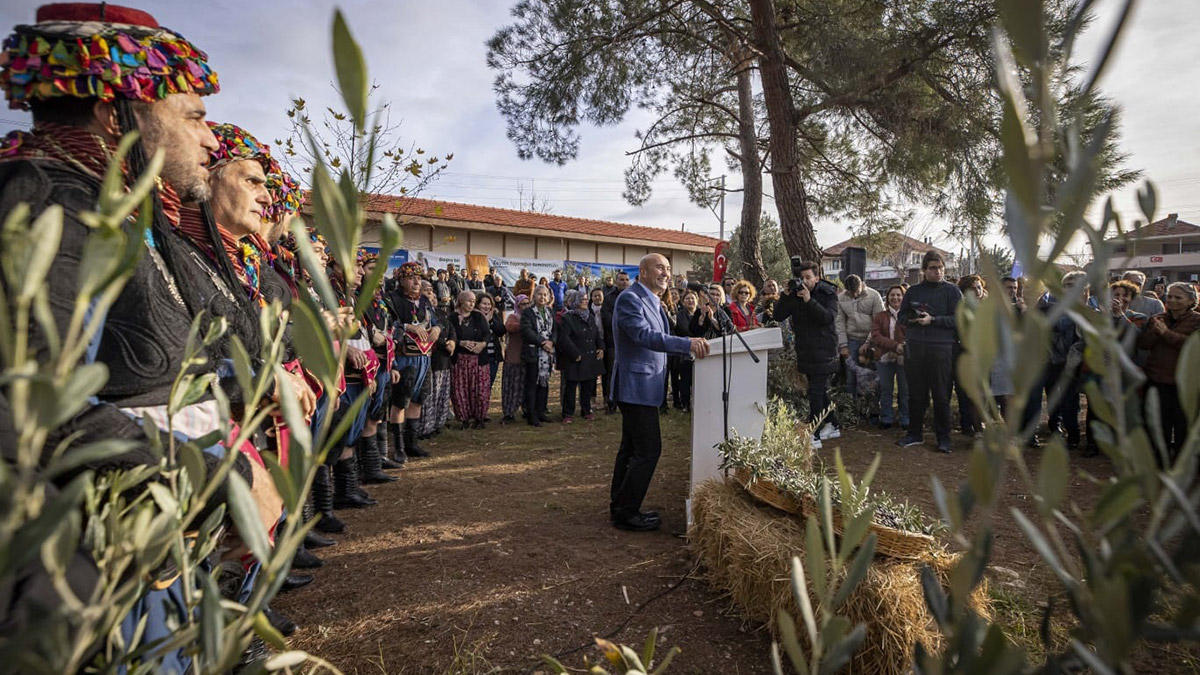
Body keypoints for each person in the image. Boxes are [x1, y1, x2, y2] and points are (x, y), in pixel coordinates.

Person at [608, 254, 709, 531]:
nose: (666, 273)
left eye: (667, 269)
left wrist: (696, 332)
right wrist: (686, 344)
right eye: (659, 268)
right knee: (649, 449)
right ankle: (627, 512)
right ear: (642, 271)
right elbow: (644, 336)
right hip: (635, 386)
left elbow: (671, 333)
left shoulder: (654, 300)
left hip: (646, 386)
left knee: (630, 449)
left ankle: (620, 505)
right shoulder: (631, 299)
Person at [896, 251, 963, 453]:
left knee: (941, 395)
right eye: (933, 268)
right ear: (924, 270)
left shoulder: (952, 292)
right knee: (915, 394)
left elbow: (958, 319)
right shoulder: (913, 291)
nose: (938, 272)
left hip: (941, 348)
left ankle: (944, 437)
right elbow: (901, 316)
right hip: (915, 348)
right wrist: (912, 319)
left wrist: (933, 320)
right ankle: (914, 433)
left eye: (941, 268)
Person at [774, 261, 841, 448]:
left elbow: (828, 318)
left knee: (815, 392)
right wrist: (785, 296)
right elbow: (778, 316)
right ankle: (833, 424)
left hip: (825, 350)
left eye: (808, 277)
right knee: (818, 390)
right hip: (805, 350)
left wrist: (809, 300)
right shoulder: (794, 295)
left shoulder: (827, 293)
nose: (804, 281)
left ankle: (814, 434)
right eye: (801, 278)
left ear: (817, 278)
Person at [1136, 282, 1200, 460]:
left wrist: (1166, 334)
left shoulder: (1197, 321)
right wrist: (1155, 332)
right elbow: (1142, 344)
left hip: (1185, 384)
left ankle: (1181, 463)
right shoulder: (1158, 318)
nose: (1172, 300)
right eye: (1170, 296)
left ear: (1190, 301)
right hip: (1157, 379)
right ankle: (1158, 462)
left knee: (1183, 426)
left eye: (1178, 297)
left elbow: (1193, 347)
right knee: (1158, 425)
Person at [386, 261, 440, 461]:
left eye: (419, 278)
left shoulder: (425, 301)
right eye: (411, 278)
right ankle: (398, 446)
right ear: (401, 280)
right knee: (401, 401)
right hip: (404, 358)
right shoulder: (392, 299)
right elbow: (389, 324)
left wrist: (437, 329)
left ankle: (412, 443)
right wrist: (408, 326)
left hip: (424, 358)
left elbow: (435, 321)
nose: (417, 282)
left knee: (418, 399)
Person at [557, 290, 604, 422]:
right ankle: (568, 413)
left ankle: (586, 410)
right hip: (575, 357)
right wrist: (575, 354)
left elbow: (596, 335)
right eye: (582, 299)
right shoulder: (568, 318)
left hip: (589, 356)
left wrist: (601, 347)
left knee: (588, 385)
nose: (585, 301)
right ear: (575, 302)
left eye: (585, 299)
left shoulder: (590, 316)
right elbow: (564, 339)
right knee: (571, 387)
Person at [449, 291, 493, 429]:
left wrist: (482, 344)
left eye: (473, 301)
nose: (471, 304)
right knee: (460, 390)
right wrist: (460, 342)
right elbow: (450, 336)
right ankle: (464, 419)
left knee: (480, 389)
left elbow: (487, 334)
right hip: (460, 359)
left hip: (478, 359)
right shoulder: (453, 318)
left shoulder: (478, 316)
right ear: (461, 301)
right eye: (469, 301)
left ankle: (479, 418)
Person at [419, 280, 456, 439]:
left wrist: (453, 341)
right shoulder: (420, 311)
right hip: (431, 358)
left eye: (432, 291)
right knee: (429, 396)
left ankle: (438, 423)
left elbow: (449, 327)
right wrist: (444, 344)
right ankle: (424, 428)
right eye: (426, 291)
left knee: (441, 394)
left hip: (445, 359)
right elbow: (430, 333)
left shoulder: (440, 313)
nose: (431, 294)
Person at [836, 275, 884, 399]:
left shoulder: (874, 296)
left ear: (862, 285)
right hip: (851, 338)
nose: (854, 296)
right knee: (851, 375)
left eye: (856, 292)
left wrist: (868, 342)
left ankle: (874, 407)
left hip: (872, 340)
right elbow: (839, 322)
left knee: (874, 375)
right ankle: (852, 407)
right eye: (851, 293)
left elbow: (878, 322)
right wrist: (843, 345)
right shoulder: (841, 298)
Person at [870, 285, 909, 431]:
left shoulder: (908, 316)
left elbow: (911, 333)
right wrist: (894, 346)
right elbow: (876, 335)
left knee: (905, 389)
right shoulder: (880, 316)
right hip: (884, 356)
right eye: (892, 295)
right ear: (887, 298)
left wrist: (901, 348)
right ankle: (886, 418)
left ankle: (905, 418)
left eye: (899, 295)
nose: (895, 298)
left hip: (904, 356)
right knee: (886, 389)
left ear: (903, 297)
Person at [522, 285, 557, 426]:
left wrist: (552, 342)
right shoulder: (528, 312)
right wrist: (542, 342)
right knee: (532, 384)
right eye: (539, 294)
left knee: (544, 384)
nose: (542, 297)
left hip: (547, 354)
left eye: (545, 295)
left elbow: (555, 329)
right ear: (534, 296)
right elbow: (527, 330)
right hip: (533, 353)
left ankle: (541, 411)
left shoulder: (550, 311)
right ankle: (532, 415)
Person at [601, 271, 632, 413]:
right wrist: (625, 323)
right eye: (621, 280)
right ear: (616, 281)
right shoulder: (608, 298)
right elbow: (607, 319)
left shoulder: (634, 298)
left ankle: (627, 402)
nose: (624, 282)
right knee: (612, 374)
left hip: (631, 342)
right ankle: (610, 403)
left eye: (626, 280)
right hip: (613, 342)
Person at [501, 294, 532, 423]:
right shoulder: (514, 317)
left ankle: (527, 410)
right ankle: (509, 412)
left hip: (527, 357)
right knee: (512, 386)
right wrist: (524, 325)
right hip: (514, 357)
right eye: (523, 304)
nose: (525, 306)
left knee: (526, 386)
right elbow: (510, 327)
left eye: (527, 303)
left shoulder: (531, 317)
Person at [673, 290, 699, 411]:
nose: (690, 301)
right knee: (685, 379)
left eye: (692, 298)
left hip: (699, 351)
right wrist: (696, 337)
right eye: (687, 299)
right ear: (683, 302)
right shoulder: (680, 315)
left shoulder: (700, 313)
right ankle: (685, 403)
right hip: (685, 351)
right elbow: (684, 330)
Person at [477, 292, 505, 392]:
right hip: (479, 358)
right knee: (479, 387)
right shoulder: (473, 317)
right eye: (484, 304)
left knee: (488, 386)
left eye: (489, 304)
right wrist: (484, 322)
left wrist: (490, 321)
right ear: (478, 304)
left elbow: (501, 331)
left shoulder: (494, 315)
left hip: (493, 357)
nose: (487, 306)